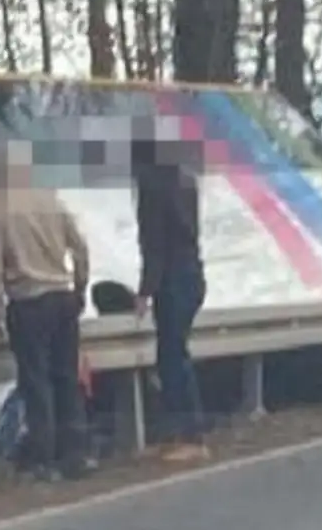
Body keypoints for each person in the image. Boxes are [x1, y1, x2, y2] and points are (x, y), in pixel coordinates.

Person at [0, 140, 97, 481]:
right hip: (62, 298)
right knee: (66, 377)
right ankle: (77, 453)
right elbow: (81, 248)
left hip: (28, 302)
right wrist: (80, 289)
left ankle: (44, 459)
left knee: (36, 381)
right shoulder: (50, 200)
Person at [131, 137, 210, 463]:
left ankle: (191, 435)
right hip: (192, 273)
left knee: (172, 356)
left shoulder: (152, 189)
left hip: (172, 280)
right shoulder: (184, 182)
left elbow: (155, 244)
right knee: (172, 354)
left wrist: (145, 290)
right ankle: (177, 433)